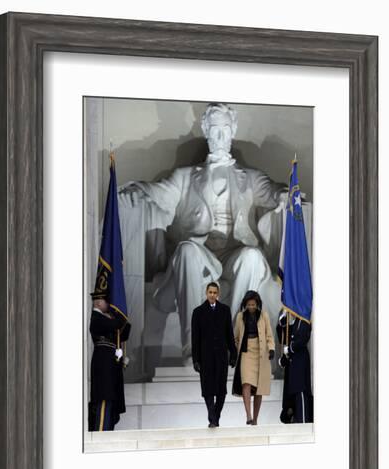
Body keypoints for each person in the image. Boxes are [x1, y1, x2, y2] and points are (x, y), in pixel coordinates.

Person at [119, 103, 286, 360]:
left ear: (233, 131)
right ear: (206, 132)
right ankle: (193, 346)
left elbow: (273, 191)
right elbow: (160, 192)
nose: (220, 137)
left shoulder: (250, 177)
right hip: (201, 254)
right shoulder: (186, 176)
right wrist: (138, 189)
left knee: (252, 256)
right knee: (186, 250)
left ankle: (234, 343)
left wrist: (287, 195)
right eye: (215, 130)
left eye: (225, 130)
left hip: (235, 254)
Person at [191, 282, 237, 427]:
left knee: (221, 390)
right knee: (208, 389)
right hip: (205, 357)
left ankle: (215, 416)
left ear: (218, 294)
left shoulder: (225, 310)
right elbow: (195, 338)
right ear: (206, 293)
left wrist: (233, 355)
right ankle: (213, 417)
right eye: (210, 292)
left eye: (214, 292)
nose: (212, 295)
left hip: (221, 356)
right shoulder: (198, 312)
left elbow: (230, 334)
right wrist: (196, 359)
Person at [88, 290, 131, 431]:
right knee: (104, 400)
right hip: (103, 366)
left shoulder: (107, 318)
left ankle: (107, 429)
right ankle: (101, 431)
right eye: (108, 302)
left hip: (110, 367)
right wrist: (120, 315)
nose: (110, 305)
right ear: (99, 302)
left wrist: (123, 317)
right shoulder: (96, 318)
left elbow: (123, 333)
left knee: (111, 401)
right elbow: (115, 325)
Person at [232, 290, 275, 425]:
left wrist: (272, 348)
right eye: (249, 304)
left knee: (259, 388)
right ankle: (248, 416)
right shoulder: (240, 316)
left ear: (257, 304)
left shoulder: (264, 316)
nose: (251, 307)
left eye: (253, 304)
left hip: (260, 353)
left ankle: (255, 419)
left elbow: (269, 335)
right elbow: (236, 338)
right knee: (246, 383)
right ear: (245, 304)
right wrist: (234, 353)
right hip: (246, 352)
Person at [277, 310, 313, 423]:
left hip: (300, 361)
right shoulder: (295, 321)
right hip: (292, 363)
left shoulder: (303, 320)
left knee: (300, 390)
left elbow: (302, 339)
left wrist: (290, 348)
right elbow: (284, 337)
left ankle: (303, 420)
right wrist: (282, 323)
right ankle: (296, 419)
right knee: (292, 393)